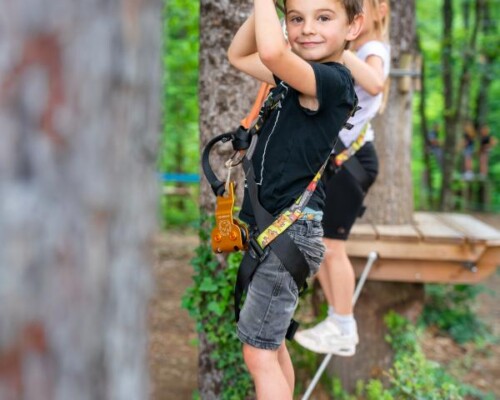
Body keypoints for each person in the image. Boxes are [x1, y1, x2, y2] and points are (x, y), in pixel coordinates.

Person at [227, 0, 363, 398]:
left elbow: (272, 52)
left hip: (289, 231)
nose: (307, 29)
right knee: (270, 345)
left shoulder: (333, 82)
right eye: (296, 18)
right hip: (275, 229)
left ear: (353, 27)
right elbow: (239, 55)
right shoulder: (295, 78)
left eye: (324, 18)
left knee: (258, 354)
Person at [294, 0, 391, 356]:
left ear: (374, 12)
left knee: (332, 247)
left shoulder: (372, 48)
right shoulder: (356, 49)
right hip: (339, 160)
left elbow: (376, 83)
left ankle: (344, 324)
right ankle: (338, 321)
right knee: (321, 245)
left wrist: (342, 50)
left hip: (352, 160)